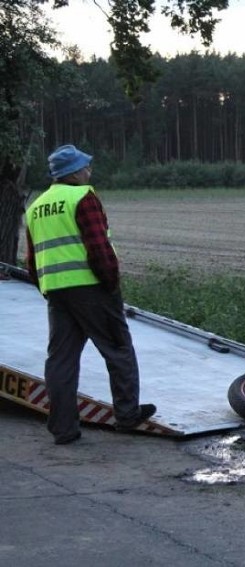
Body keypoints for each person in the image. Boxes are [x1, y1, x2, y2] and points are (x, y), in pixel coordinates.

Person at [25, 144, 156, 445]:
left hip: (56, 291)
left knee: (61, 360)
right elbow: (98, 247)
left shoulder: (36, 206)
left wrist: (46, 288)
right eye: (86, 167)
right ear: (74, 173)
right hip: (91, 287)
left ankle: (63, 429)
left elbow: (31, 259)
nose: (89, 171)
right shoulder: (82, 197)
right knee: (118, 349)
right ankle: (127, 416)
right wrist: (110, 283)